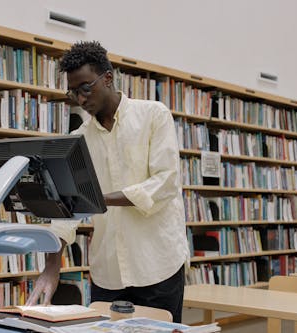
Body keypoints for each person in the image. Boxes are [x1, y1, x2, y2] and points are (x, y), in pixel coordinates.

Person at [26, 41, 189, 323]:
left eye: (86, 88)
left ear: (108, 78)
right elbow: (66, 209)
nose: (80, 99)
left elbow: (165, 182)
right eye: (73, 92)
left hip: (157, 264)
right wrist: (52, 267)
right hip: (108, 271)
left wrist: (99, 199)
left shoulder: (153, 115)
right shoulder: (78, 140)